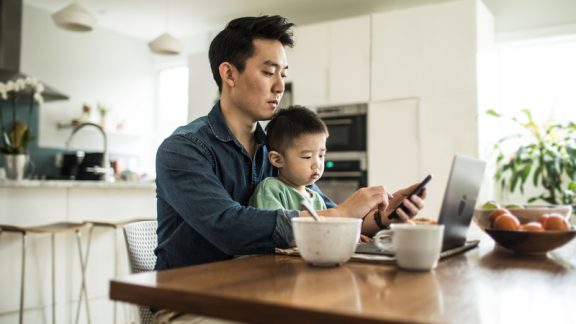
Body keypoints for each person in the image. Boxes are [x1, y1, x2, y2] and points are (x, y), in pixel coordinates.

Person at [155, 14, 425, 272]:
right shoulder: (183, 149)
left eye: (283, 74)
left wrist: (382, 218)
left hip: (258, 286)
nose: (280, 86)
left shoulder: (274, 150)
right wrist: (343, 213)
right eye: (268, 72)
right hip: (188, 296)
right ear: (229, 74)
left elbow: (323, 213)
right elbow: (227, 227)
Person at [249, 105, 329, 212]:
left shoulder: (317, 199)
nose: (317, 164)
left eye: (321, 155)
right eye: (307, 156)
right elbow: (275, 226)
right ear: (277, 159)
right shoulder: (271, 189)